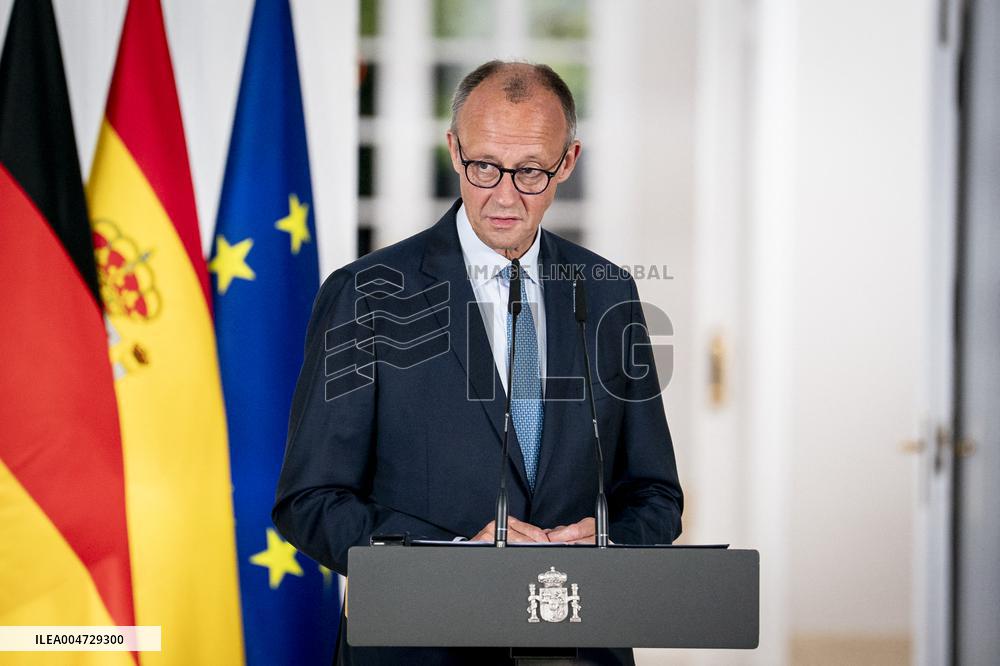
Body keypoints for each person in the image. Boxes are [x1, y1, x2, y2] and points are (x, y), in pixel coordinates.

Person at [273, 60, 683, 665]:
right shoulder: (366, 294)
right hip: (419, 648)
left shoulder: (609, 292)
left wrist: (608, 541)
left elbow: (655, 493)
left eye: (531, 172)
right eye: (483, 166)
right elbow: (310, 501)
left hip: (575, 643)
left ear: (568, 161)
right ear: (453, 150)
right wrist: (455, 555)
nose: (504, 195)